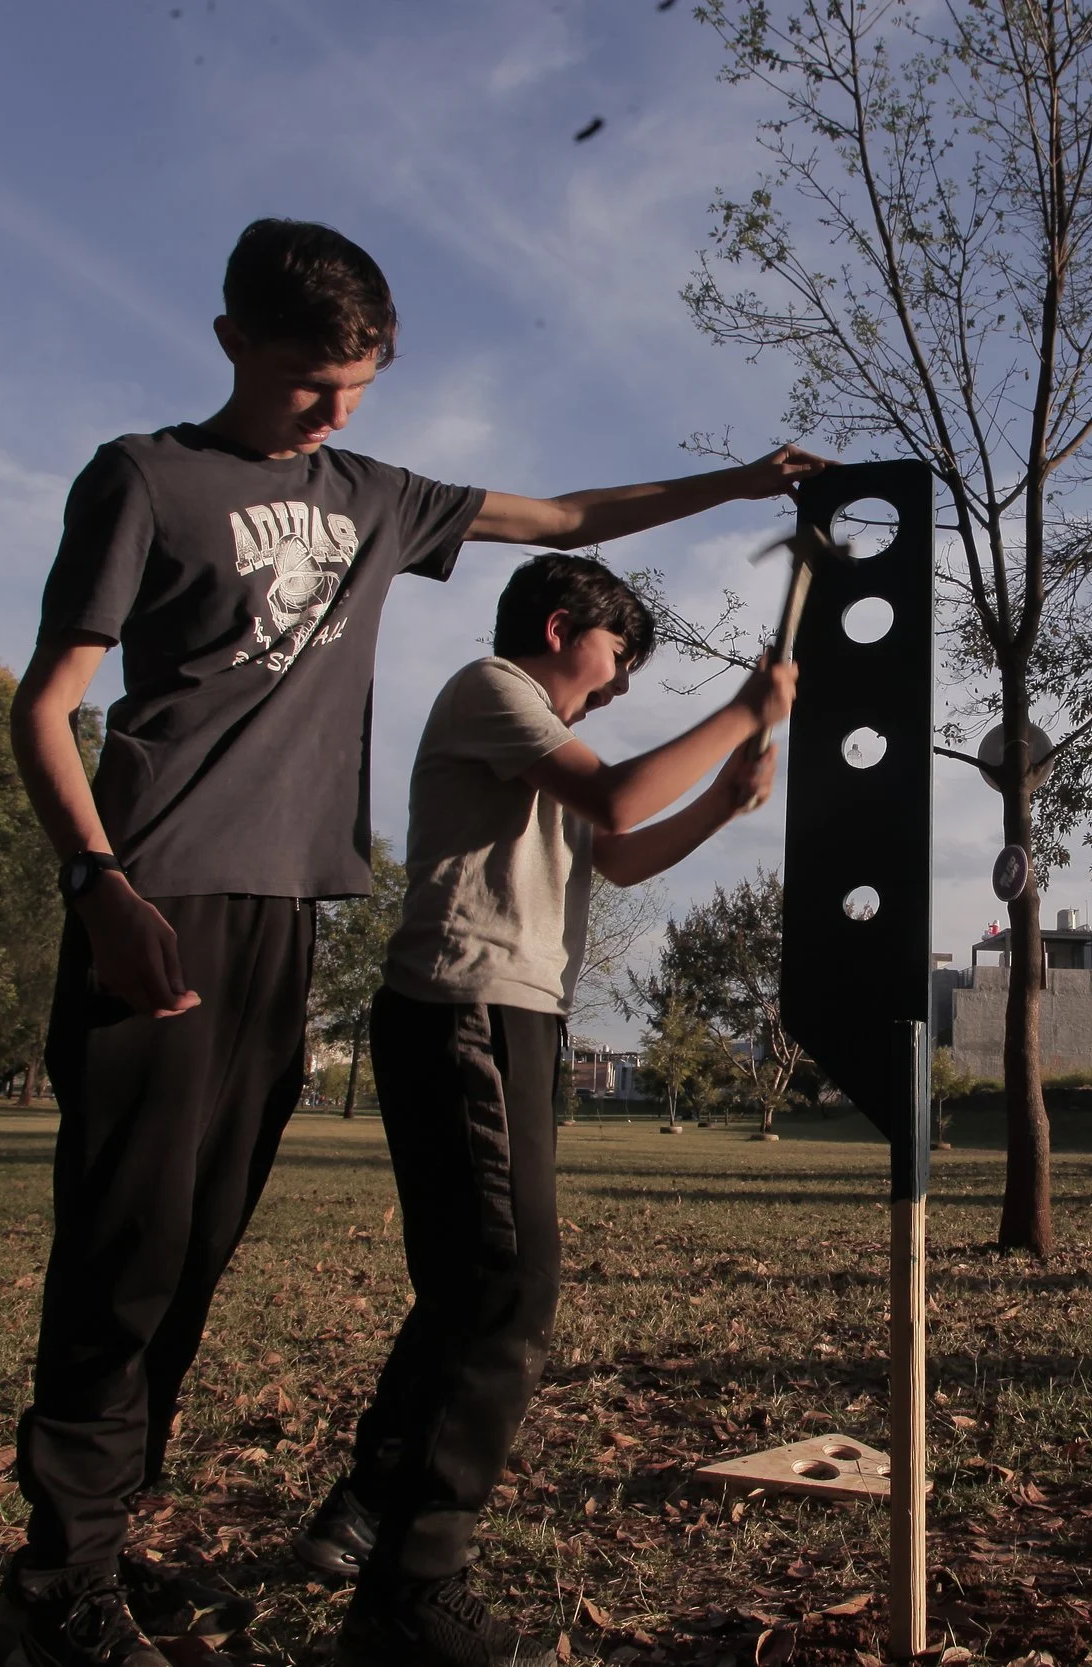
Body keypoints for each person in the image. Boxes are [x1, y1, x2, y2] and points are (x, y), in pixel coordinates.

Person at [0, 216, 827, 1667]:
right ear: (232, 341)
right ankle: (56, 1579)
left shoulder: (373, 495)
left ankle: (104, 1549)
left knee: (194, 1247)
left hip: (284, 911)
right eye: (314, 381)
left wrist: (744, 482)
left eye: (360, 384)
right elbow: (47, 700)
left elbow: (568, 518)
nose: (335, 409)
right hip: (157, 893)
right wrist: (98, 885)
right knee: (123, 1247)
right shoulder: (144, 477)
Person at [293, 555, 788, 1666]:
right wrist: (744, 710)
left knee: (471, 1283)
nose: (614, 688)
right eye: (615, 660)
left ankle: (367, 1508)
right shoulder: (490, 687)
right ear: (561, 627)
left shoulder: (538, 741)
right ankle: (414, 1584)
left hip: (510, 1016)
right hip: (468, 1007)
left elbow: (615, 847)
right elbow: (615, 796)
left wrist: (719, 800)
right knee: (510, 1285)